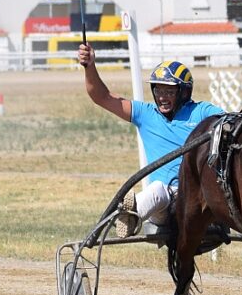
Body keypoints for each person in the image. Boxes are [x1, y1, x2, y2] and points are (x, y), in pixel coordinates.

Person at [78, 43, 224, 236]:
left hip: (195, 198)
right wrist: (89, 66)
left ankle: (131, 212)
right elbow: (101, 96)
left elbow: (229, 121)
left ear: (184, 92)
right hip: (162, 206)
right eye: (158, 91)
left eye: (169, 92)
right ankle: (131, 216)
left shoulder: (200, 112)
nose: (162, 97)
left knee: (161, 190)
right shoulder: (145, 114)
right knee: (157, 189)